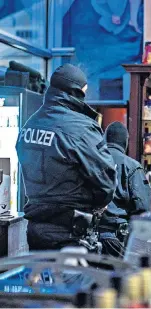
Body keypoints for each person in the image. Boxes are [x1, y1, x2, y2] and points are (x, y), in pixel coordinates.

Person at [16, 64, 117, 251]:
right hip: (71, 233)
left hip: (35, 230)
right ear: (75, 92)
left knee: (41, 277)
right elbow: (106, 182)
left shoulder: (29, 125)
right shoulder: (81, 128)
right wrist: (99, 204)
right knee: (72, 279)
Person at [99, 121, 151, 257]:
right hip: (118, 239)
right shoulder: (131, 166)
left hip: (92, 238)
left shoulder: (93, 160)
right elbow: (144, 207)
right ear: (125, 142)